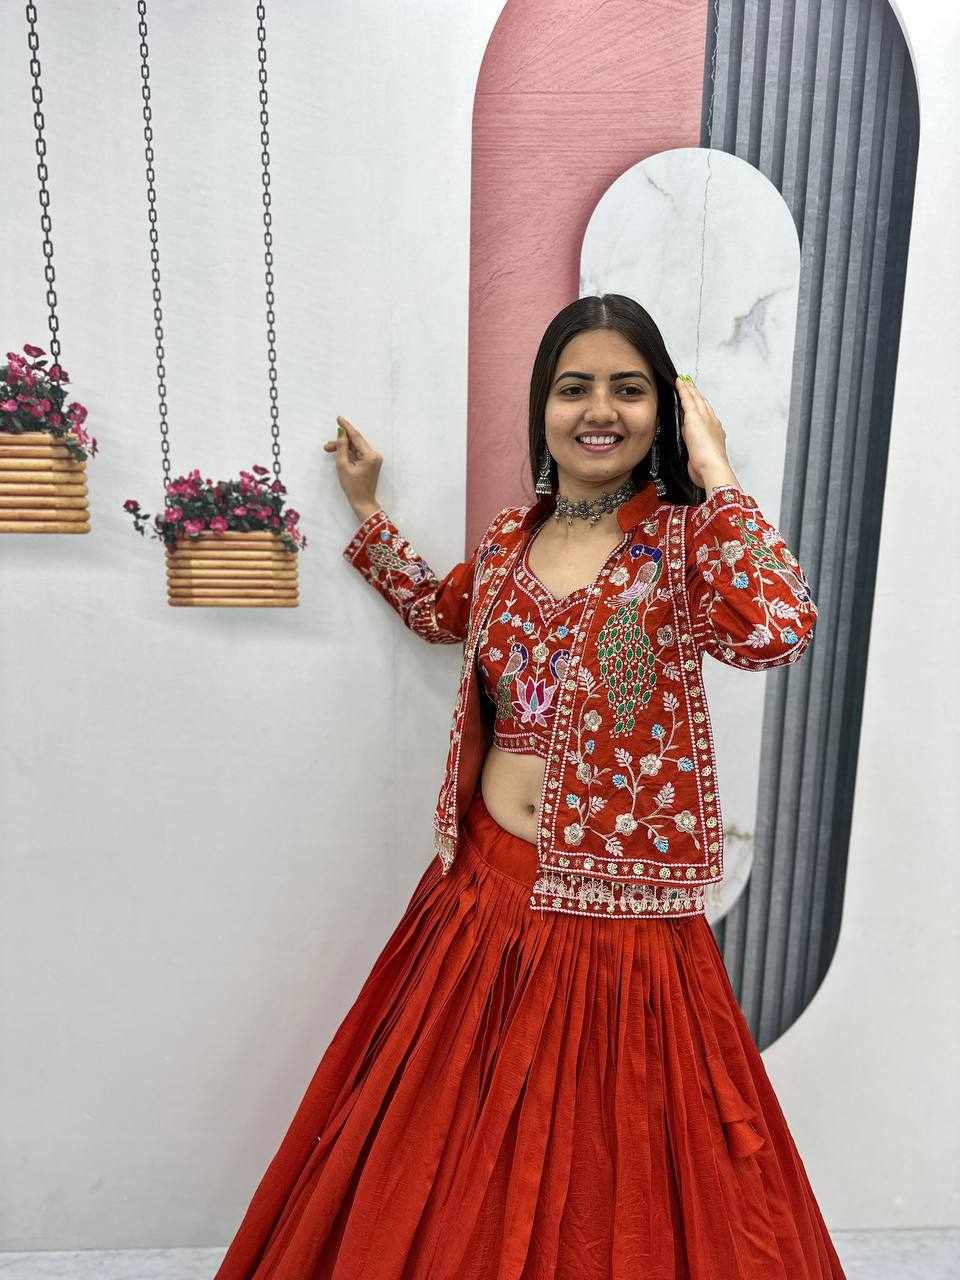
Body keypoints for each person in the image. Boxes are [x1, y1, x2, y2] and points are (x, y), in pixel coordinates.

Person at [213, 294, 846, 1279]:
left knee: (605, 1170)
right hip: (481, 898)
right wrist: (369, 513)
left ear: (664, 410)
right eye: (573, 387)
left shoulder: (681, 546)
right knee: (446, 1159)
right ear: (542, 407)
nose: (599, 410)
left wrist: (717, 468)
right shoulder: (512, 540)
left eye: (628, 389)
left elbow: (780, 629)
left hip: (620, 923)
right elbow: (440, 611)